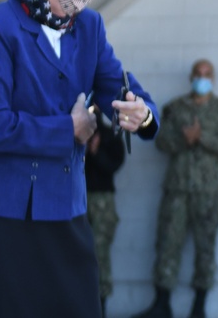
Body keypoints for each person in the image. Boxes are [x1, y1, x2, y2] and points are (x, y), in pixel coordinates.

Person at [0, 0, 159, 318]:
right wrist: (68, 129)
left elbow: (120, 87)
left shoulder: (90, 27)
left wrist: (143, 113)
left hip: (64, 208)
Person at [133, 59, 218, 318]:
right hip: (177, 189)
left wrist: (201, 137)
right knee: (167, 243)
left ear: (212, 78)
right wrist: (183, 138)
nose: (202, 78)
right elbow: (159, 141)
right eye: (198, 73)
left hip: (208, 192)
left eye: (207, 74)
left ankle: (199, 307)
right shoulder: (173, 108)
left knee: (206, 248)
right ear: (191, 76)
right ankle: (162, 304)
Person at [86, 108, 126, 318]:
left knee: (99, 257)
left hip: (102, 201)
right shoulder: (73, 132)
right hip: (77, 202)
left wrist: (96, 153)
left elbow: (114, 164)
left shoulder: (109, 135)